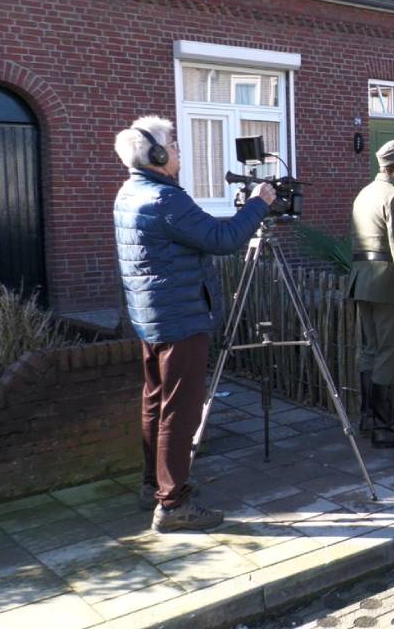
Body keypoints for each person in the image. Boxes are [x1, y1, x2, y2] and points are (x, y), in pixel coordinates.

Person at [113, 115, 275, 532]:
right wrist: (259, 203)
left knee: (156, 401)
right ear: (156, 155)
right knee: (180, 411)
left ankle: (155, 484)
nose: (179, 152)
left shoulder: (130, 191)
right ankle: (174, 505)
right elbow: (223, 240)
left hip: (152, 315)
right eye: (173, 145)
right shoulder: (165, 199)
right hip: (181, 317)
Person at [347, 139, 394, 448]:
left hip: (363, 282)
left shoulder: (365, 193)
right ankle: (384, 429)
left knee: (370, 352)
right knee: (391, 356)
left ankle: (368, 419)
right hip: (389, 286)